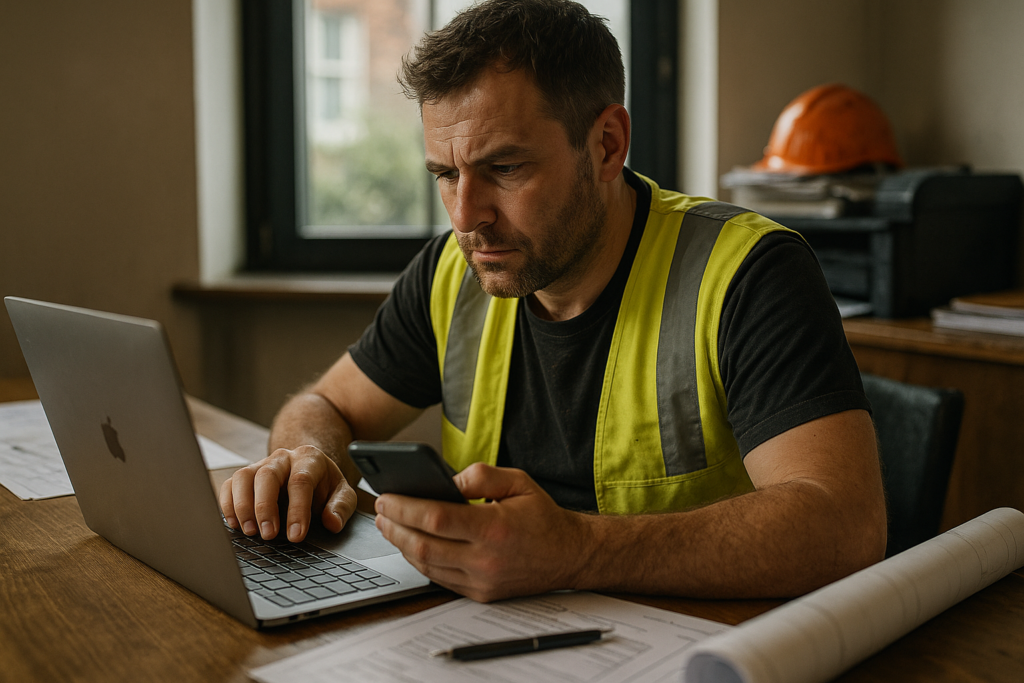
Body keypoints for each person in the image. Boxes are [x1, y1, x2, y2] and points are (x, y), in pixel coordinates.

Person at [220, 0, 886, 603]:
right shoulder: (453, 270)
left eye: (505, 168)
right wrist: (304, 457)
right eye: (446, 174)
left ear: (606, 146)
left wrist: (577, 550)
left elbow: (845, 524)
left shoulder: (749, 272)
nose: (466, 216)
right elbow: (326, 405)